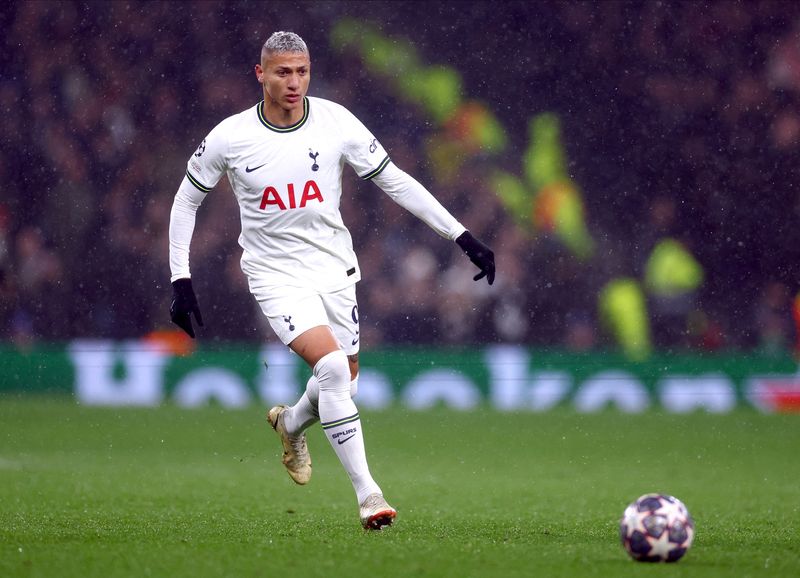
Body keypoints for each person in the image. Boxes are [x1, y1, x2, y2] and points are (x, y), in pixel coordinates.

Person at [167, 31, 495, 530]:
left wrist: (461, 235)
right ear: (261, 74)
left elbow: (395, 179)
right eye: (282, 72)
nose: (294, 81)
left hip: (335, 269)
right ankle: (370, 496)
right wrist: (180, 278)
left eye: (301, 71)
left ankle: (292, 422)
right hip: (275, 276)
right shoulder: (231, 137)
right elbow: (186, 200)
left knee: (345, 381)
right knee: (334, 370)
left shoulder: (336, 122)